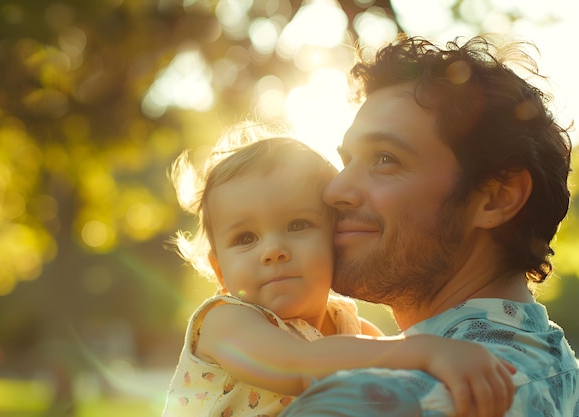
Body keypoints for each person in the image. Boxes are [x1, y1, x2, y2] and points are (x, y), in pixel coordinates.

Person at [278, 35, 579, 417]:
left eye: (385, 158)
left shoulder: (370, 402)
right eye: (346, 161)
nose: (335, 190)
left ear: (496, 197)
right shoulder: (559, 371)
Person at [161, 125, 515, 417]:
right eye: (245, 237)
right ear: (219, 270)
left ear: (337, 239)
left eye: (298, 225)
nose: (273, 251)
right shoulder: (224, 322)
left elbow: (389, 367)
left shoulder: (350, 327)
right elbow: (300, 365)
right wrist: (429, 350)